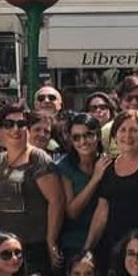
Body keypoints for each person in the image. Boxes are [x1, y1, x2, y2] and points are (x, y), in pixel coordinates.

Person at [85, 110, 138, 276]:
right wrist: (87, 248)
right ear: (114, 136)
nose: (127, 135)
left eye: (133, 130)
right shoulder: (108, 167)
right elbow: (101, 212)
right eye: (122, 130)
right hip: (113, 246)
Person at [0, 104, 65, 276]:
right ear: (1, 129)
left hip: (35, 245)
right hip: (6, 245)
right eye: (9, 124)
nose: (15, 129)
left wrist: (51, 241)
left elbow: (57, 201)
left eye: (21, 124)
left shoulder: (37, 158)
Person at [56, 113, 111, 265]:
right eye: (76, 137)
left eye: (88, 135)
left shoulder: (107, 162)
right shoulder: (65, 166)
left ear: (98, 136)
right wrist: (95, 179)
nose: (83, 142)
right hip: (74, 239)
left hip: (106, 236)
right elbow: (72, 212)